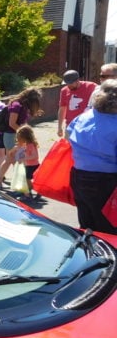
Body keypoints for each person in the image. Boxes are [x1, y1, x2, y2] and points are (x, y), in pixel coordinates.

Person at [67, 79, 117, 233]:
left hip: (79, 176)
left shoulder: (84, 117)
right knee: (108, 228)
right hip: (106, 181)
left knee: (87, 225)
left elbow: (69, 135)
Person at [0, 87, 43, 185]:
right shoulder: (17, 105)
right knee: (16, 161)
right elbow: (12, 123)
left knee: (9, 159)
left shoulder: (21, 105)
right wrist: (26, 134)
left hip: (15, 135)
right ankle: (20, 185)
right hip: (12, 136)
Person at [3, 125, 40, 199]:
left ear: (25, 137)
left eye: (19, 137)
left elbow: (35, 156)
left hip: (33, 166)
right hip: (27, 165)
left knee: (26, 179)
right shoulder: (24, 144)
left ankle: (29, 193)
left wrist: (24, 158)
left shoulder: (31, 145)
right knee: (25, 179)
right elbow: (17, 149)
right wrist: (12, 151)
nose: (18, 139)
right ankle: (28, 192)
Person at [57, 70, 97, 138]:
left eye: (71, 83)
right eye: (67, 83)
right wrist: (59, 126)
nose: (69, 85)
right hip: (70, 125)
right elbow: (62, 108)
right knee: (69, 147)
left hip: (87, 125)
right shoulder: (64, 90)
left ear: (77, 80)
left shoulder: (91, 87)